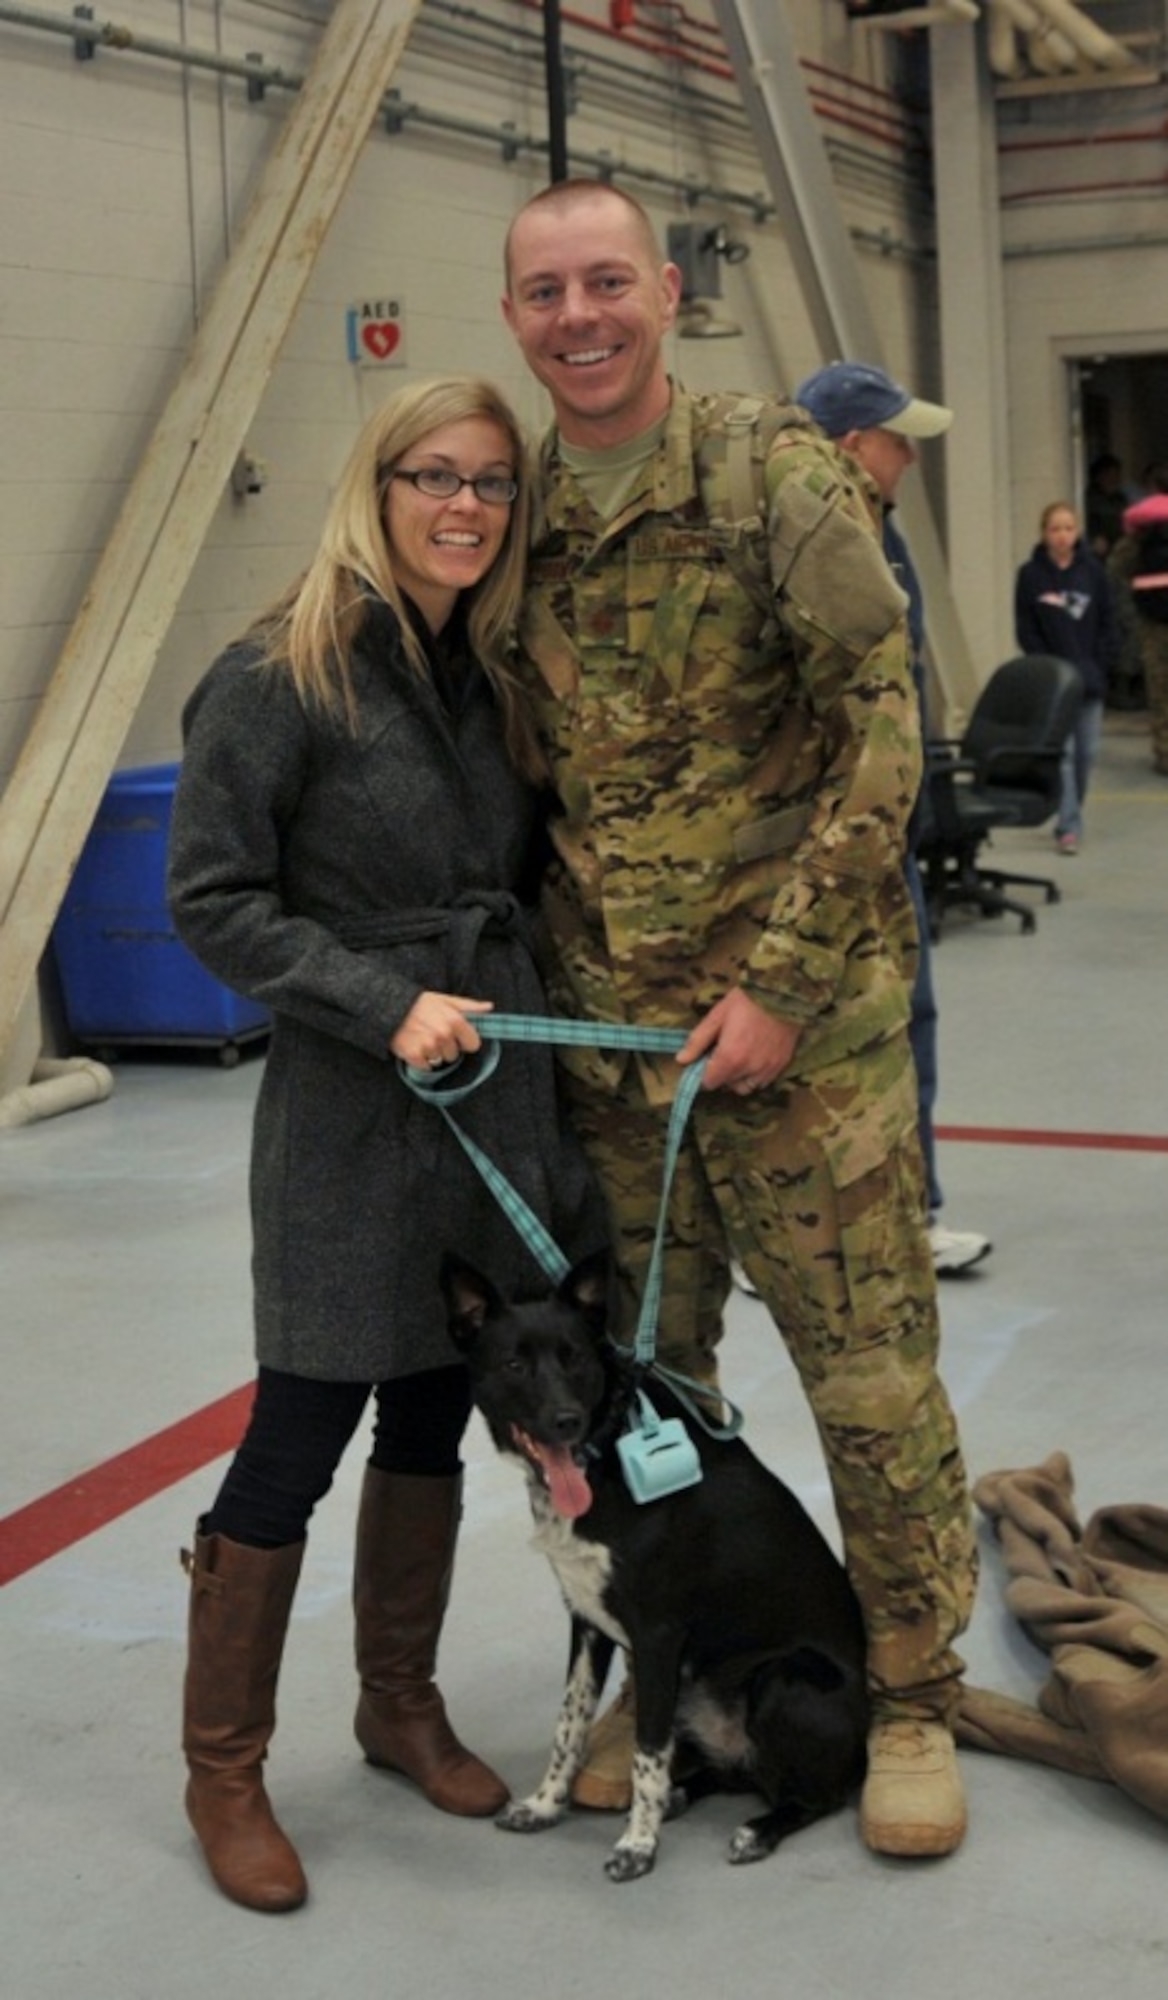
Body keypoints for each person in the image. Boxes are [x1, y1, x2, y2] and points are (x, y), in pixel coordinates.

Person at [500, 179, 977, 1859]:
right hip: (620, 1067)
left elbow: (880, 725)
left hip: (801, 1058)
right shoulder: (514, 509)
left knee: (866, 1385)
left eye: (606, 281)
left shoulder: (772, 474)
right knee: (652, 1398)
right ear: (516, 317)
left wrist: (775, 985)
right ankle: (676, 1654)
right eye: (547, 290)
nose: (580, 315)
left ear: (666, 293)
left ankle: (908, 1692)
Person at [166, 375, 604, 1913]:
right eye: (437, 475)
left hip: (489, 1098)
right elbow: (211, 900)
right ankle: (225, 1767)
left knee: (433, 1407)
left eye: (493, 482)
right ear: (379, 482)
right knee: (304, 1418)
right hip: (354, 1112)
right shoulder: (275, 672)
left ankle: (396, 1702)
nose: (467, 506)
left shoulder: (485, 671)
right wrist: (377, 997)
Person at [793, 360, 991, 1280]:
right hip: (820, 854)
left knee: (908, 1028)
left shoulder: (887, 536)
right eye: (894, 438)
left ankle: (915, 1214)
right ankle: (790, 1235)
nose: (908, 455)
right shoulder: (803, 546)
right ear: (848, 447)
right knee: (815, 1051)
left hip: (892, 847)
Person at [1014, 500, 1118, 853]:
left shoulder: (1093, 573)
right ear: (1044, 534)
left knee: (1085, 754)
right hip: (1056, 683)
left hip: (1090, 679)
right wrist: (1045, 668)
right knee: (1064, 753)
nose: (1062, 535)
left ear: (1078, 533)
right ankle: (1068, 826)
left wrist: (1101, 663)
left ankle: (1072, 811)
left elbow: (1108, 622)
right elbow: (1026, 628)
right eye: (1054, 529)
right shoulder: (1031, 575)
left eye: (1068, 528)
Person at [1109, 472, 1168, 776]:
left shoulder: (1140, 532)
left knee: (1159, 688)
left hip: (1152, 621)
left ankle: (1164, 753)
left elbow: (1116, 567)